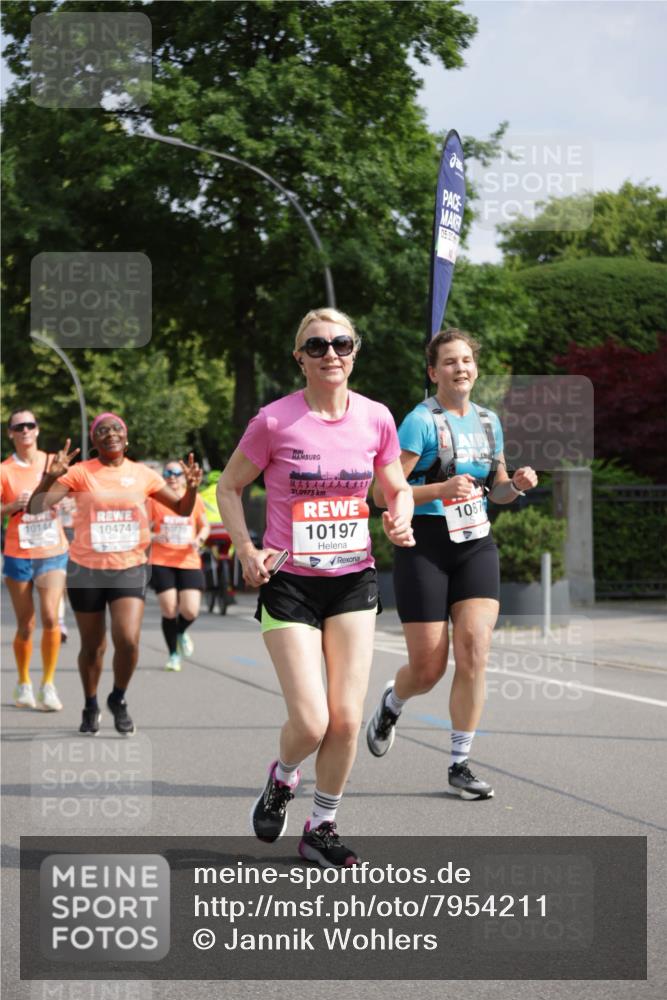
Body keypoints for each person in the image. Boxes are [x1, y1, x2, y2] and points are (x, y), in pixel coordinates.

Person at [217, 307, 414, 868]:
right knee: (312, 722)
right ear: (299, 358)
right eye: (318, 345)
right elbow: (230, 488)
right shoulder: (274, 421)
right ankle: (281, 779)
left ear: (354, 352)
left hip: (353, 577)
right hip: (291, 584)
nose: (331, 353)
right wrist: (245, 549)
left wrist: (398, 514)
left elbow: (394, 485)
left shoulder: (376, 417)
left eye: (342, 343)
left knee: (347, 719)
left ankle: (321, 826)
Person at [367, 329, 538, 799]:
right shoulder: (420, 422)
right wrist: (439, 490)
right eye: (449, 362)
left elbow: (497, 490)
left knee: (475, 649)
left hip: (475, 544)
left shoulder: (489, 422)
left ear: (476, 368)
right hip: (424, 544)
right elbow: (381, 493)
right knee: (428, 668)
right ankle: (391, 702)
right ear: (433, 372)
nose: (460, 368)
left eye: (466, 360)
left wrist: (517, 485)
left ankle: (460, 764)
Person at [28, 412, 202, 735]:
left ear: (126, 437)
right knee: (93, 646)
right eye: (102, 430)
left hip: (129, 568)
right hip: (86, 570)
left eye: (117, 428)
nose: (111, 433)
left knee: (128, 640)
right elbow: (35, 508)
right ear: (94, 441)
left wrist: (191, 489)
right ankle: (90, 703)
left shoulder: (143, 474)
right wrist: (50, 478)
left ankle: (118, 697)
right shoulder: (80, 473)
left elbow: (182, 508)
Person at [1, 409, 68, 711]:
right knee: (26, 625)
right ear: (11, 433)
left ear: (37, 430)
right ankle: (24, 681)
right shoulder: (4, 470)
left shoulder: (53, 462)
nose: (25, 430)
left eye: (30, 425)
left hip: (52, 550)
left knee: (51, 617)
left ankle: (48, 685)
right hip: (19, 553)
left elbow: (73, 494)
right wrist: (10, 506)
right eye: (19, 426)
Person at [148, 460, 210, 671]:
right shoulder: (154, 500)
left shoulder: (195, 499)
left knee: (191, 610)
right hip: (161, 560)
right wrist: (154, 536)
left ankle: (181, 632)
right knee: (169, 608)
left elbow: (205, 526)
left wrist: (199, 539)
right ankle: (173, 654)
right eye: (168, 473)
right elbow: (141, 528)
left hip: (188, 559)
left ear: (184, 477)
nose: (172, 477)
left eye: (177, 473)